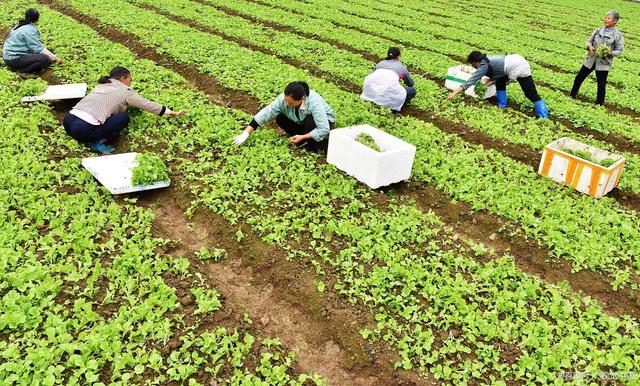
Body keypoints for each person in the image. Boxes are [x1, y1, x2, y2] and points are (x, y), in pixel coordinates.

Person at [63, 66, 186, 154]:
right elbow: (145, 104)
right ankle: (97, 142)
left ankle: (88, 136)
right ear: (123, 79)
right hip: (82, 130)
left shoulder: (102, 85)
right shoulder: (124, 91)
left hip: (68, 121)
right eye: (130, 80)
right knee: (123, 118)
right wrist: (170, 112)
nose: (130, 83)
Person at [233, 81, 336, 152]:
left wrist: (303, 136)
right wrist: (246, 133)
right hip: (301, 121)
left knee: (310, 120)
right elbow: (266, 113)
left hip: (325, 122)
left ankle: (312, 143)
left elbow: (324, 128)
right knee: (281, 118)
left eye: (290, 102)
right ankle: (301, 138)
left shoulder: (314, 102)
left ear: (301, 99)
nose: (286, 104)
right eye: (286, 100)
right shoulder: (283, 100)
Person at [447, 51, 548, 119]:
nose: (473, 67)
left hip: (520, 66)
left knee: (530, 93)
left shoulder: (483, 66)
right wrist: (491, 81)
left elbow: (471, 80)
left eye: (472, 64)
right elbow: (498, 73)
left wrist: (454, 92)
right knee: (500, 83)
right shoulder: (487, 61)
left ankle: (543, 117)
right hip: (512, 64)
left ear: (475, 62)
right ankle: (502, 106)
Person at [569, 10, 624, 106]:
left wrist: (609, 53)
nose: (605, 19)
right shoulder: (598, 30)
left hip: (603, 62)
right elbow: (588, 41)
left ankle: (599, 104)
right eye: (605, 17)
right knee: (579, 77)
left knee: (601, 84)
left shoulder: (617, 35)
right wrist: (589, 47)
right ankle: (572, 95)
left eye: (608, 18)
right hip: (591, 59)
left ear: (615, 21)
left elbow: (619, 50)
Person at [2, 8, 62, 75]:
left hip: (8, 57)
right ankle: (22, 71)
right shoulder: (30, 30)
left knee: (46, 54)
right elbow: (38, 48)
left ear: (26, 16)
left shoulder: (20, 25)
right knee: (45, 59)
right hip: (14, 60)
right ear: (37, 19)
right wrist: (55, 58)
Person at [361, 47, 416, 113]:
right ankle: (394, 107)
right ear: (399, 56)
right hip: (385, 93)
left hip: (370, 92)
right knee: (412, 91)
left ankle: (375, 100)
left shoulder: (380, 63)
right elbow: (410, 84)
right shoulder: (401, 67)